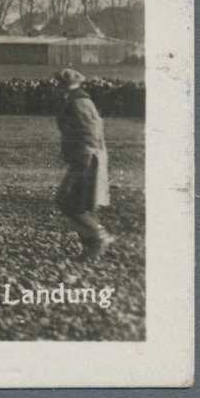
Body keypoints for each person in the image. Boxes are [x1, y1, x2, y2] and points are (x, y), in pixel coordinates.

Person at [54, 69, 115, 260]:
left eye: (58, 84)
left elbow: (91, 132)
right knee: (77, 202)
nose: (55, 88)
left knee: (69, 200)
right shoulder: (74, 101)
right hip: (83, 158)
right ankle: (91, 245)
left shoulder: (79, 102)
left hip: (86, 159)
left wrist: (83, 158)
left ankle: (98, 237)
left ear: (64, 86)